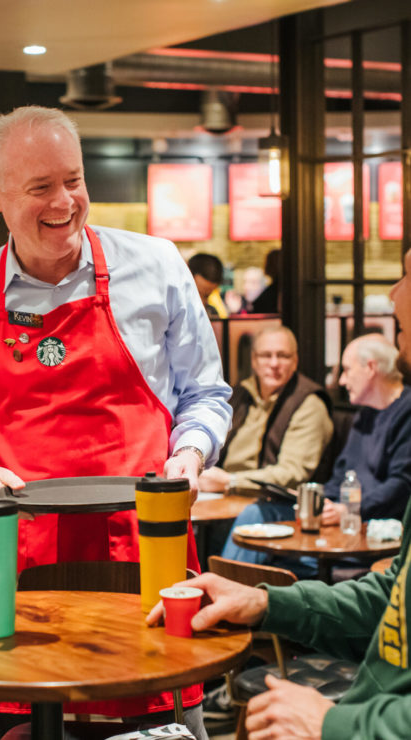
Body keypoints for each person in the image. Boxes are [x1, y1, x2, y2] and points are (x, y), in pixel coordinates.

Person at [0, 105, 233, 739]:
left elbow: (207, 393)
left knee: (162, 720)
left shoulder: (158, 266)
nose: (65, 202)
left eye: (75, 179)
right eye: (40, 188)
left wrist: (191, 455)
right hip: (18, 563)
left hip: (148, 545)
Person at [147, 253, 411, 738]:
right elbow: (392, 600)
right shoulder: (247, 395)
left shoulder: (313, 402)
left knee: (249, 516)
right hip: (365, 692)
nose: (393, 294)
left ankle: (216, 686)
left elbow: (301, 473)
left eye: (408, 275)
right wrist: (263, 602)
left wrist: (336, 724)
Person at [223, 333, 411, 569]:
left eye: (346, 370)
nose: (341, 381)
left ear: (370, 368)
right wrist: (320, 505)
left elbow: (402, 485)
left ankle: (224, 597)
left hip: (373, 530)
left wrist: (348, 509)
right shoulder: (366, 414)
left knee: (273, 551)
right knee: (256, 514)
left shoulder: (406, 412)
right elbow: (339, 478)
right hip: (339, 521)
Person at [198, 325, 334, 498]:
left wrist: (230, 481)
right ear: (254, 360)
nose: (274, 363)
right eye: (266, 355)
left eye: (283, 356)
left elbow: (292, 473)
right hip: (221, 492)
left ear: (295, 361)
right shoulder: (240, 394)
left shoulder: (309, 404)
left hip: (274, 501)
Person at [187, 253, 228, 318]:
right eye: (198, 294)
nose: (203, 302)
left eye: (207, 296)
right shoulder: (174, 312)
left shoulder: (211, 312)